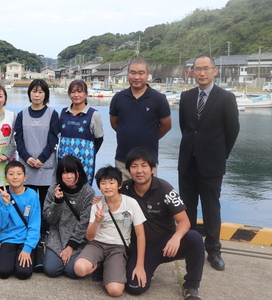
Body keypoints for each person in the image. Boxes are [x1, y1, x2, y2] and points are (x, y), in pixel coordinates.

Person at [178, 55, 240, 271]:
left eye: (206, 69)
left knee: (211, 208)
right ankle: (189, 247)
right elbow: (186, 128)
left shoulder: (226, 98)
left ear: (214, 71)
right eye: (197, 69)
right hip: (187, 162)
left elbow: (232, 131)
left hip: (212, 164)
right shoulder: (186, 97)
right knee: (187, 207)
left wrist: (220, 155)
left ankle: (214, 250)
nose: (201, 73)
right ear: (192, 72)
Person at [121, 147, 205, 300]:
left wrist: (176, 237)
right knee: (134, 287)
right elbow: (108, 202)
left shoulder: (165, 189)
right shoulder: (124, 189)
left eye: (144, 165)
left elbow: (184, 221)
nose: (139, 170)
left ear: (152, 169)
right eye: (134, 166)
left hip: (165, 244)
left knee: (195, 238)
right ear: (129, 170)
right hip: (139, 247)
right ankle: (146, 268)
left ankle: (191, 286)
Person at [74, 166, 146, 297]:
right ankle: (100, 265)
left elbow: (141, 235)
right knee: (79, 269)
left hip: (118, 248)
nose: (107, 187)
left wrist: (140, 265)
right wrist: (97, 221)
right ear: (99, 186)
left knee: (115, 291)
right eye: (103, 183)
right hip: (97, 244)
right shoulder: (97, 205)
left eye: (111, 182)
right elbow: (89, 237)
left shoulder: (131, 204)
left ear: (119, 185)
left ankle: (107, 269)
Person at [109, 57, 171, 180]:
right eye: (133, 73)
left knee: (147, 197)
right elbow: (114, 123)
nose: (136, 77)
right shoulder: (118, 98)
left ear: (147, 74)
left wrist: (150, 136)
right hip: (123, 159)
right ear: (128, 75)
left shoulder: (158, 99)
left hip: (148, 161)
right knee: (123, 197)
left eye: (141, 73)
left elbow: (166, 126)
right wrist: (127, 133)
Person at [14, 79, 59, 237]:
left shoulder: (53, 114)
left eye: (40, 92)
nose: (37, 95)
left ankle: (44, 232)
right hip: (27, 166)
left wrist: (41, 159)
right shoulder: (21, 115)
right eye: (34, 91)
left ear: (45, 94)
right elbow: (18, 140)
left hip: (46, 166)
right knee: (28, 203)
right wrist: (26, 158)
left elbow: (54, 139)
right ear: (29, 93)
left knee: (45, 203)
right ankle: (27, 231)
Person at [42, 155, 93, 278]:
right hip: (57, 236)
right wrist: (57, 202)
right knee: (51, 270)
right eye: (64, 172)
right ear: (60, 174)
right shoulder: (53, 190)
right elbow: (50, 219)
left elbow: (84, 222)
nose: (68, 176)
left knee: (73, 271)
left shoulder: (88, 192)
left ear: (79, 173)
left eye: (71, 172)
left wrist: (71, 246)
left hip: (78, 239)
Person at [0, 160, 41, 280]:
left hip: (26, 239)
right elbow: (0, 225)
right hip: (8, 238)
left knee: (23, 273)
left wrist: (27, 248)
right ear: (6, 178)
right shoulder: (0, 196)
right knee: (3, 272)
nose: (15, 177)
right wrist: (5, 205)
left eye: (19, 173)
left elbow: (34, 225)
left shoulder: (32, 195)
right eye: (11, 174)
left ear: (25, 177)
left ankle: (31, 252)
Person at [58, 80, 103, 185]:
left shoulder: (93, 114)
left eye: (80, 91)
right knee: (64, 189)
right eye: (73, 92)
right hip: (64, 160)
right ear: (69, 94)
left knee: (83, 190)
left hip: (85, 161)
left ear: (86, 94)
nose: (76, 95)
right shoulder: (63, 113)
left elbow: (99, 139)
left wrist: (88, 153)